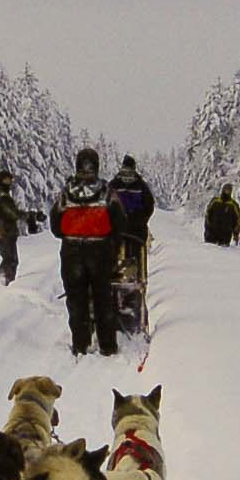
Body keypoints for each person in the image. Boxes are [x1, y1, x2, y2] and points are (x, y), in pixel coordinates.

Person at [52, 150, 121, 355]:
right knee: (103, 300)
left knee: (76, 301)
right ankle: (107, 346)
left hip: (72, 253)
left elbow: (56, 227)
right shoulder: (107, 192)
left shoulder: (66, 193)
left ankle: (80, 345)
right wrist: (111, 244)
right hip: (100, 252)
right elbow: (119, 223)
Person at [106, 156, 156, 319]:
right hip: (125, 233)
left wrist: (135, 220)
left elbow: (148, 207)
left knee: (132, 267)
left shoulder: (133, 186)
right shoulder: (118, 186)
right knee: (118, 266)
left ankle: (133, 298)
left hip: (132, 234)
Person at [0, 169, 24, 284]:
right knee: (11, 259)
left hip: (2, 231)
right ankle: (4, 283)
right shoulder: (2, 197)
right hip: (4, 231)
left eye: (10, 180)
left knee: (8, 258)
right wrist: (29, 216)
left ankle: (0, 281)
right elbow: (12, 213)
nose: (9, 183)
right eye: (6, 180)